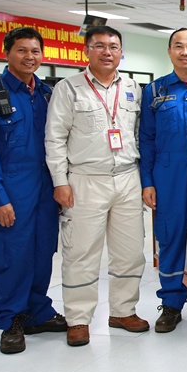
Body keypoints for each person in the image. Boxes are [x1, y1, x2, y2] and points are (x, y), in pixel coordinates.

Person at [0, 27, 66, 354]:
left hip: (45, 189)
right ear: (6, 53)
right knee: (12, 254)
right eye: (22, 50)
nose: (29, 57)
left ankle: (37, 312)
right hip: (11, 190)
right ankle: (11, 320)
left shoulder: (47, 94)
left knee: (42, 251)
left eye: (35, 51)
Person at [45, 26, 147, 347]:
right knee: (81, 252)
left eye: (113, 47)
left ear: (121, 53)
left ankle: (123, 310)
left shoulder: (132, 88)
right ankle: (78, 318)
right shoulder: (68, 88)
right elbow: (55, 138)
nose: (107, 52)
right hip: (85, 180)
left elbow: (139, 134)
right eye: (99, 46)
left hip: (127, 178)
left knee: (130, 252)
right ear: (86, 51)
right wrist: (60, 181)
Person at [139, 28, 187, 333]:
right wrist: (147, 181)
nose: (185, 52)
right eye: (179, 46)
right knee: (170, 237)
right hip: (168, 176)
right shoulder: (155, 91)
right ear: (170, 51)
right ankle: (171, 304)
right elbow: (146, 139)